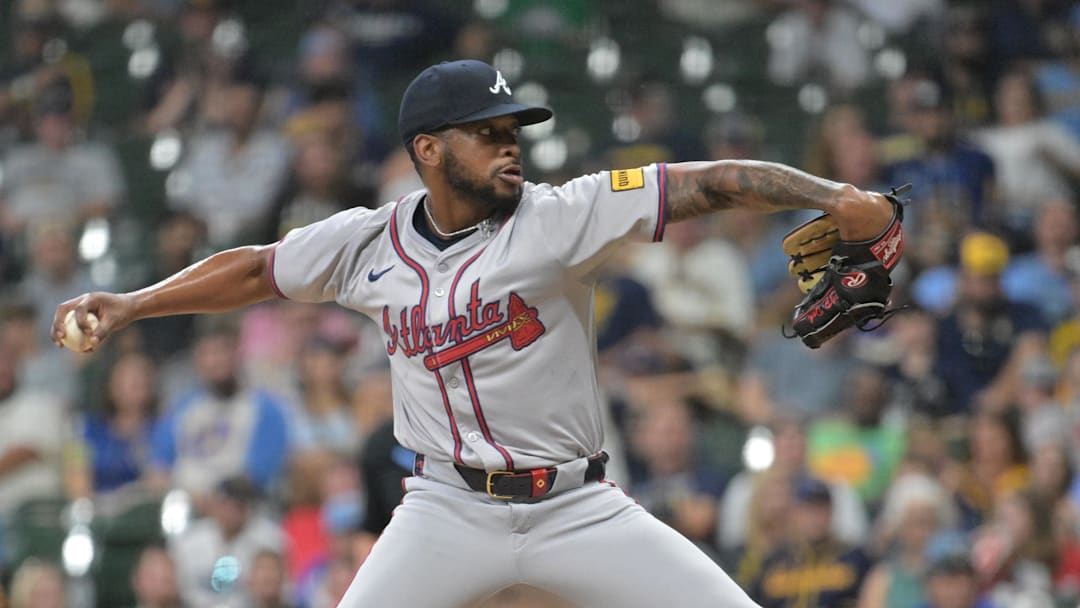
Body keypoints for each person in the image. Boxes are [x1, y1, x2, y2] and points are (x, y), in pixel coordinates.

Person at [54, 59, 902, 607]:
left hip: (577, 506)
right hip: (445, 510)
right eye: (488, 134)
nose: (511, 148)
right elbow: (255, 268)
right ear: (428, 149)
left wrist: (834, 198)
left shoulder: (563, 216)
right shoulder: (366, 243)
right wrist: (131, 303)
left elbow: (708, 184)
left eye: (514, 133)